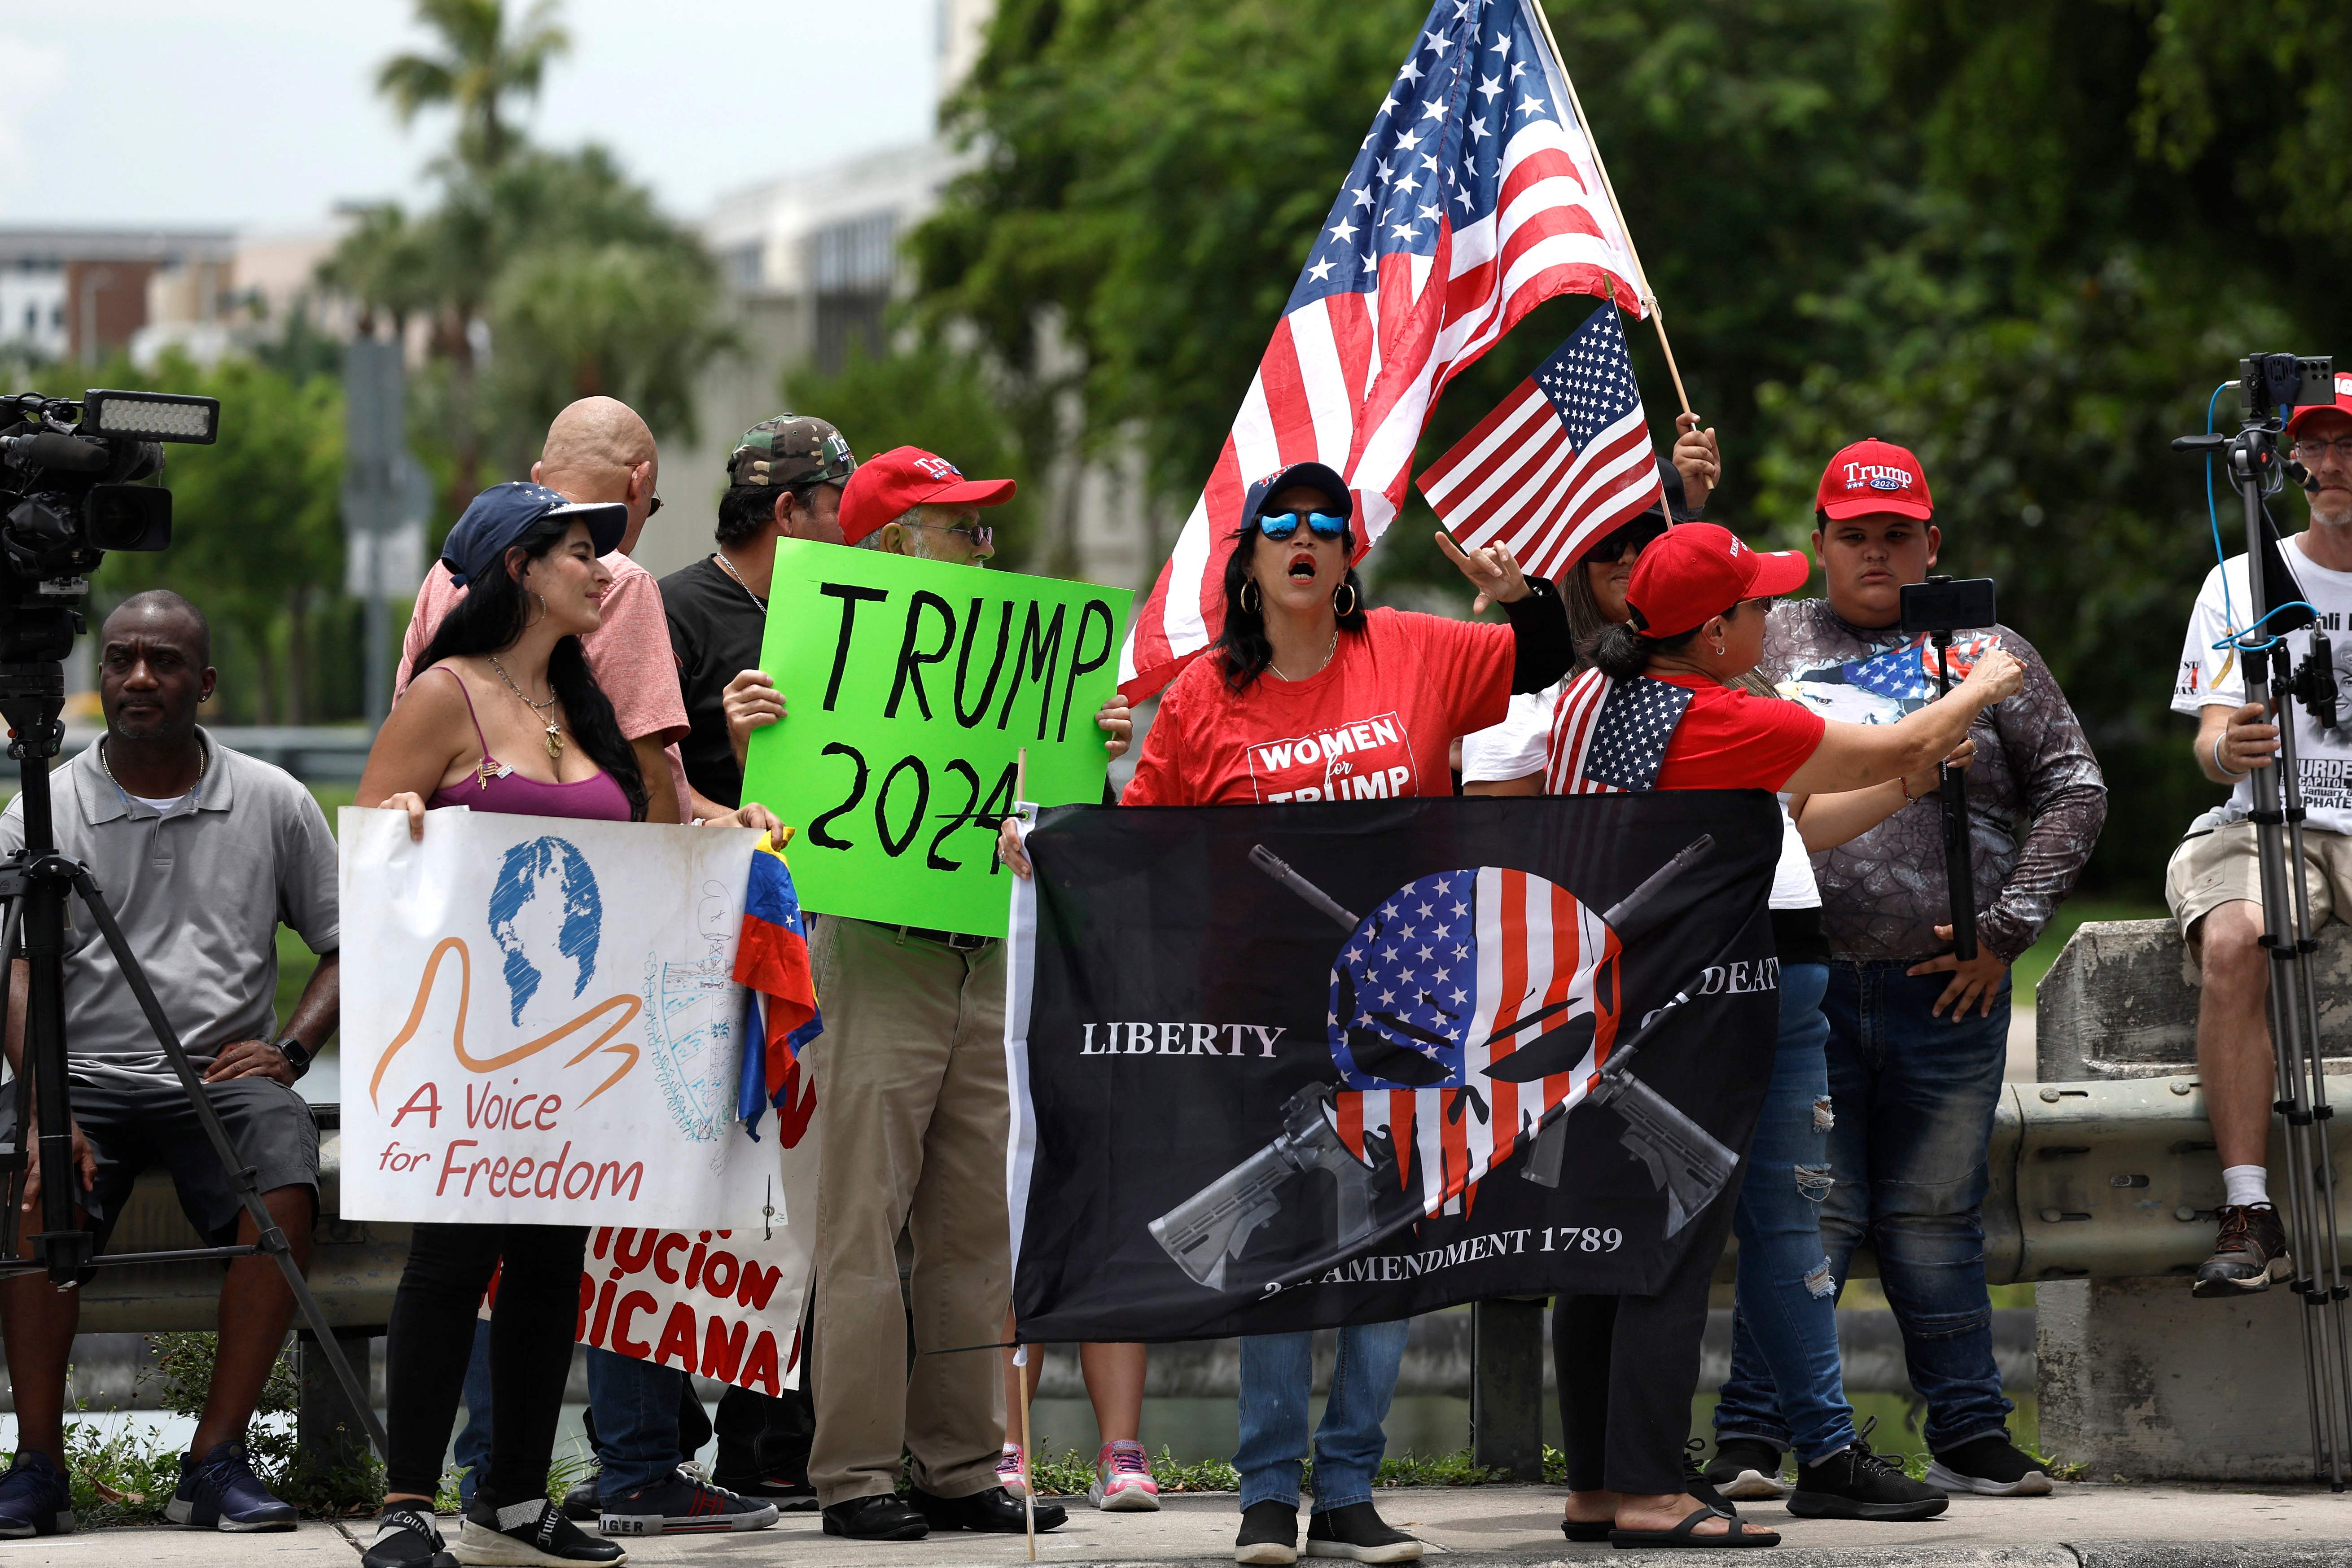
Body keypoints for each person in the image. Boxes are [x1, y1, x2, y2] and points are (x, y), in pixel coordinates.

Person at [1002, 458, 1574, 1565]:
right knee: (1276, 1249)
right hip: (1258, 1013)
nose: (1305, 535)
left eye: (1326, 522)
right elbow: (1143, 844)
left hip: (1408, 1011)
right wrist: (1054, 842)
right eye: (1281, 523)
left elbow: (1546, 656)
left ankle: (1350, 1489)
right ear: (1250, 558)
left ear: (1349, 555)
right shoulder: (1202, 697)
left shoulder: (1414, 649)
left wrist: (1521, 596)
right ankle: (1267, 1493)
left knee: (1385, 1253)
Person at [1462, 499, 1951, 1524]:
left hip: (1602, 996)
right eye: (1753, 605)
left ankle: (1597, 1484)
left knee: (1598, 1239)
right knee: (1670, 1238)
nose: (1770, 618)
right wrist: (1984, 684)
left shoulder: (1589, 694)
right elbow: (1888, 746)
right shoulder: (1712, 715)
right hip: (1688, 1006)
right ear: (1713, 630)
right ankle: (1651, 1488)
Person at [355, 485, 773, 1568]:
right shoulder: (444, 694)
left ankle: (510, 1497)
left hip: (581, 1044)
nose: (603, 570)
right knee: (451, 1260)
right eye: (581, 552)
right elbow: (373, 852)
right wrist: (400, 820)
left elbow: (660, 836)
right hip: (471, 1045)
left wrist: (737, 815)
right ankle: (407, 1505)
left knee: (551, 1263)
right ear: (518, 569)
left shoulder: (583, 700)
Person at [1748, 440, 2104, 1496]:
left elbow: (2075, 788)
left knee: (1933, 1216)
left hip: (1944, 986)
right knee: (1801, 1216)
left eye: (1895, 535)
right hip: (1797, 984)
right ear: (1818, 542)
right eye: (1853, 534)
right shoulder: (1765, 640)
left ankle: (1967, 1432)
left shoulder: (1989, 650)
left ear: (1930, 543)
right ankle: (1755, 1437)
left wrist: (2005, 931)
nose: (1874, 553)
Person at [793, 445, 1133, 1545]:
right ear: (896, 544)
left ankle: (958, 1464)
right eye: (965, 530)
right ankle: (854, 1474)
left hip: (984, 956)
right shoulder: (820, 658)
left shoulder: (1013, 664)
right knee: (862, 1224)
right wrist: (757, 720)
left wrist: (1092, 749)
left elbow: (1052, 811)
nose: (988, 548)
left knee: (975, 1226)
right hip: (876, 954)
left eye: (986, 530)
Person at [0, 592, 337, 1539]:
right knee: (30, 1181)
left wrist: (290, 1049)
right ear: (99, 675)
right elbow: (12, 969)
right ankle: (37, 1466)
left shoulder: (274, 800)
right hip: (80, 1072)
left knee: (285, 1173)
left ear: (207, 682)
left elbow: (348, 942)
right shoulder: (44, 807)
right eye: (121, 659)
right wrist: (47, 1106)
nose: (140, 677)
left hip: (216, 1079)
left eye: (165, 660)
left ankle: (214, 1460)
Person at [658, 413, 858, 1507]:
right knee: (733, 1193)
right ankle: (684, 1439)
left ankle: (777, 1439)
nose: (854, 530)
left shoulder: (859, 611)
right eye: (839, 509)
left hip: (838, 941)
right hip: (709, 957)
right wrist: (729, 769)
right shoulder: (678, 612)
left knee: (813, 1190)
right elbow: (645, 782)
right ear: (789, 510)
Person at [2171, 372, 2352, 1295]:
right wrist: (2228, 746)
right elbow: (2209, 738)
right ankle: (2249, 1209)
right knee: (2233, 936)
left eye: (2349, 446)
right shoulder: (2241, 578)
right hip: (2265, 821)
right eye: (2313, 446)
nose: (2330, 464)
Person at [398, 395, 688, 825]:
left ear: (539, 476)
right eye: (582, 554)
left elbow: (403, 757)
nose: (602, 573)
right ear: (640, 482)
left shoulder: (443, 575)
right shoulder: (627, 582)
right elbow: (651, 785)